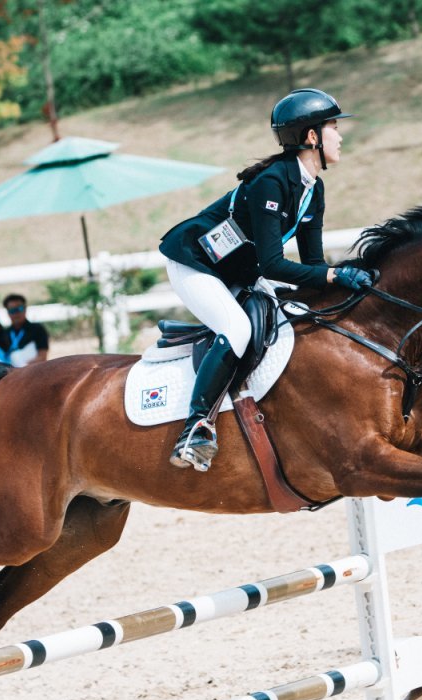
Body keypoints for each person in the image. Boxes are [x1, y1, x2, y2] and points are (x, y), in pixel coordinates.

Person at [158, 88, 373, 472]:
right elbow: (274, 265)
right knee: (238, 328)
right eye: (333, 128)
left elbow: (311, 264)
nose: (340, 136)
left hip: (240, 268)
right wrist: (336, 274)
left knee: (294, 309)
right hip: (196, 262)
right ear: (312, 137)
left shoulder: (313, 189)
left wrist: (344, 279)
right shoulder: (271, 183)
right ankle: (196, 427)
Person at [2, 293, 50, 367]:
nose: (17, 313)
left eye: (19, 308)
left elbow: (42, 356)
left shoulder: (37, 329)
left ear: (25, 309)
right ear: (8, 313)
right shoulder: (4, 333)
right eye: (12, 310)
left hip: (34, 370)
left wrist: (23, 368)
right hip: (11, 374)